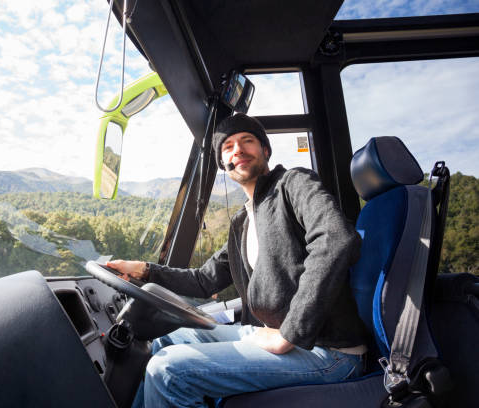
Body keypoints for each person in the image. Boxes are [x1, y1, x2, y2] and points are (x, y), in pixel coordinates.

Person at [108, 113, 368, 407]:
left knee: (168, 371)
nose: (238, 150)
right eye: (228, 147)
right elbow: (204, 280)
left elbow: (334, 238)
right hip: (268, 333)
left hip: (327, 351)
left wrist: (289, 334)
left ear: (265, 151)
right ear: (224, 164)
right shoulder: (242, 221)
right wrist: (144, 271)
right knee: (165, 341)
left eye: (248, 141)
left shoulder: (294, 183)